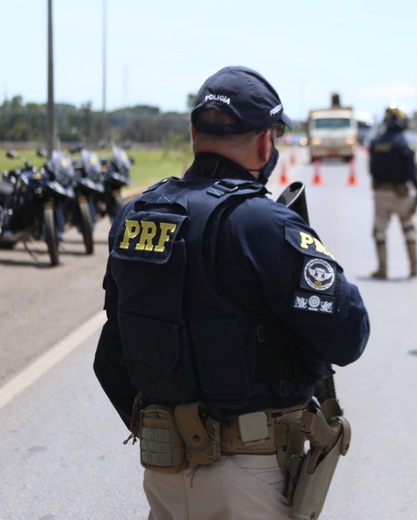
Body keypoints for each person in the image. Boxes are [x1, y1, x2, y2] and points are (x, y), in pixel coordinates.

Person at [93, 65, 370, 519]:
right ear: (266, 141)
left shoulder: (137, 212)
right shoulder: (262, 223)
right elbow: (348, 336)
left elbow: (114, 346)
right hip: (248, 475)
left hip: (163, 471)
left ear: (194, 133)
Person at [367, 104, 417, 279]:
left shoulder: (376, 142)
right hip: (401, 194)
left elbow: (371, 168)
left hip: (381, 192)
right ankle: (414, 268)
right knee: (408, 229)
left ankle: (382, 269)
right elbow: (411, 172)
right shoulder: (404, 143)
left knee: (379, 232)